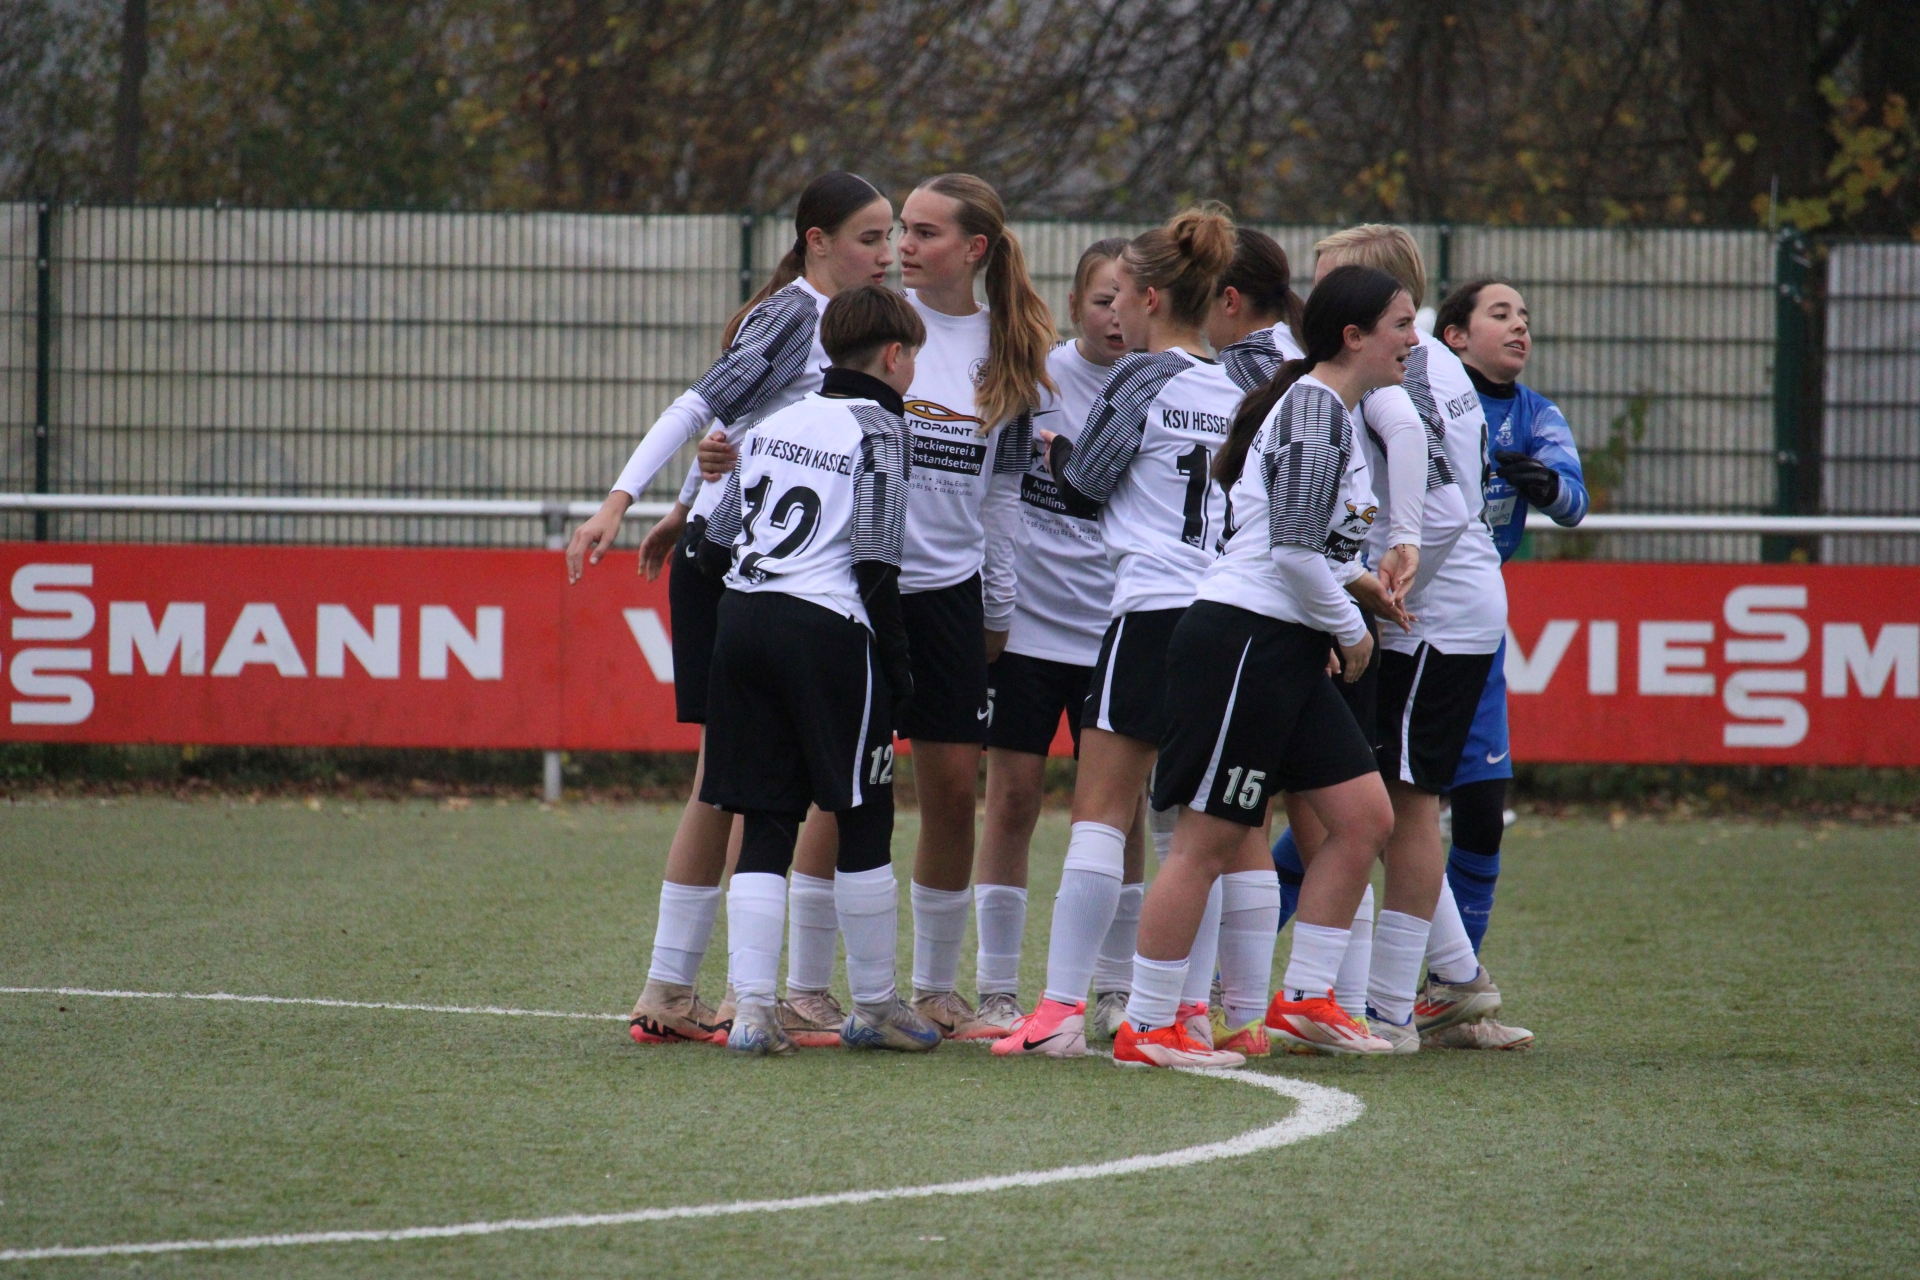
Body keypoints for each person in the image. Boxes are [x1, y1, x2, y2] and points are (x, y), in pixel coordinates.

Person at [701, 173, 1054, 1042]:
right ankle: (807, 989)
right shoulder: (865, 323)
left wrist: (997, 605)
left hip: (945, 595)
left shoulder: (1008, 347)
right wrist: (700, 484)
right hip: (854, 600)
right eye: (898, 230)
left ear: (975, 249)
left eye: (924, 232)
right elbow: (771, 433)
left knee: (949, 791)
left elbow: (1003, 497)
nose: (902, 247)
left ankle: (933, 988)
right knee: (842, 792)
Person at [564, 172, 894, 1047]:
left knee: (737, 784)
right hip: (742, 569)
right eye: (870, 237)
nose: (886, 254)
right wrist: (619, 501)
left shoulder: (839, 322)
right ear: (817, 241)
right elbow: (701, 407)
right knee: (733, 784)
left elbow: (735, 439)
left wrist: (683, 506)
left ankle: (698, 991)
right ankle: (699, 991)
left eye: (891, 236)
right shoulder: (794, 316)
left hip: (740, 553)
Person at [1116, 264, 1418, 1067]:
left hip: (1284, 643)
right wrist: (1351, 632)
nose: (1412, 342)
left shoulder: (1331, 412)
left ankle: (1306, 997)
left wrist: (1364, 582)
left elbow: (1307, 542)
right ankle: (1147, 1025)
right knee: (1206, 840)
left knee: (1364, 819)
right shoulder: (1316, 409)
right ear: (1352, 336)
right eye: (1400, 325)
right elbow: (1287, 549)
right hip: (1243, 640)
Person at [990, 204, 1246, 1061]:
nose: (1117, 313)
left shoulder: (1141, 377)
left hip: (1152, 610)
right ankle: (1184, 1013)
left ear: (1148, 298)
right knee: (1191, 831)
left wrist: (1051, 456)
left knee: (1101, 815)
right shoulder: (1238, 390)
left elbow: (1087, 486)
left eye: (1123, 296)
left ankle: (1059, 1012)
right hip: (1226, 618)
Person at [694, 284, 939, 1056]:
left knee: (765, 818)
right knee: (863, 813)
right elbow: (876, 561)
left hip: (743, 619)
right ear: (894, 356)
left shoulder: (776, 419)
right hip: (826, 628)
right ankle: (876, 1006)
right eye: (913, 359)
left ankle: (753, 1013)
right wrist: (899, 670)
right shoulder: (884, 427)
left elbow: (715, 542)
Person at [970, 238, 1150, 1035]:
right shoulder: (1036, 379)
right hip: (1031, 630)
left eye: (1127, 300)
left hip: (1118, 629)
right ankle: (996, 988)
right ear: (1075, 304)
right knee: (1011, 798)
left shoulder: (1158, 388)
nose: (1114, 315)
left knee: (1121, 812)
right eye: (1101, 299)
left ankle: (1115, 987)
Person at [1415, 276, 1588, 1051]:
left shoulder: (1535, 414)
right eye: (1500, 313)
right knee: (1363, 809)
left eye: (1524, 316)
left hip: (1475, 631)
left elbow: (1574, 504)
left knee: (1481, 814)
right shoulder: (1425, 396)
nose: (1520, 326)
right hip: (1412, 624)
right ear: (1454, 335)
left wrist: (1546, 483)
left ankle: (1447, 996)